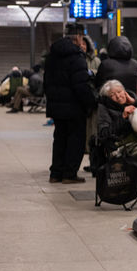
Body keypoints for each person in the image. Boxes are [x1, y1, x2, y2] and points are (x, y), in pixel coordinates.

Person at [43, 23, 96, 184]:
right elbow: (81, 86)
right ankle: (69, 174)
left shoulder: (52, 56)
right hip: (74, 108)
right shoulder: (77, 57)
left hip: (56, 107)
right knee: (75, 140)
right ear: (78, 37)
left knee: (59, 138)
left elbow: (46, 82)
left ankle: (55, 173)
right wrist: (91, 102)